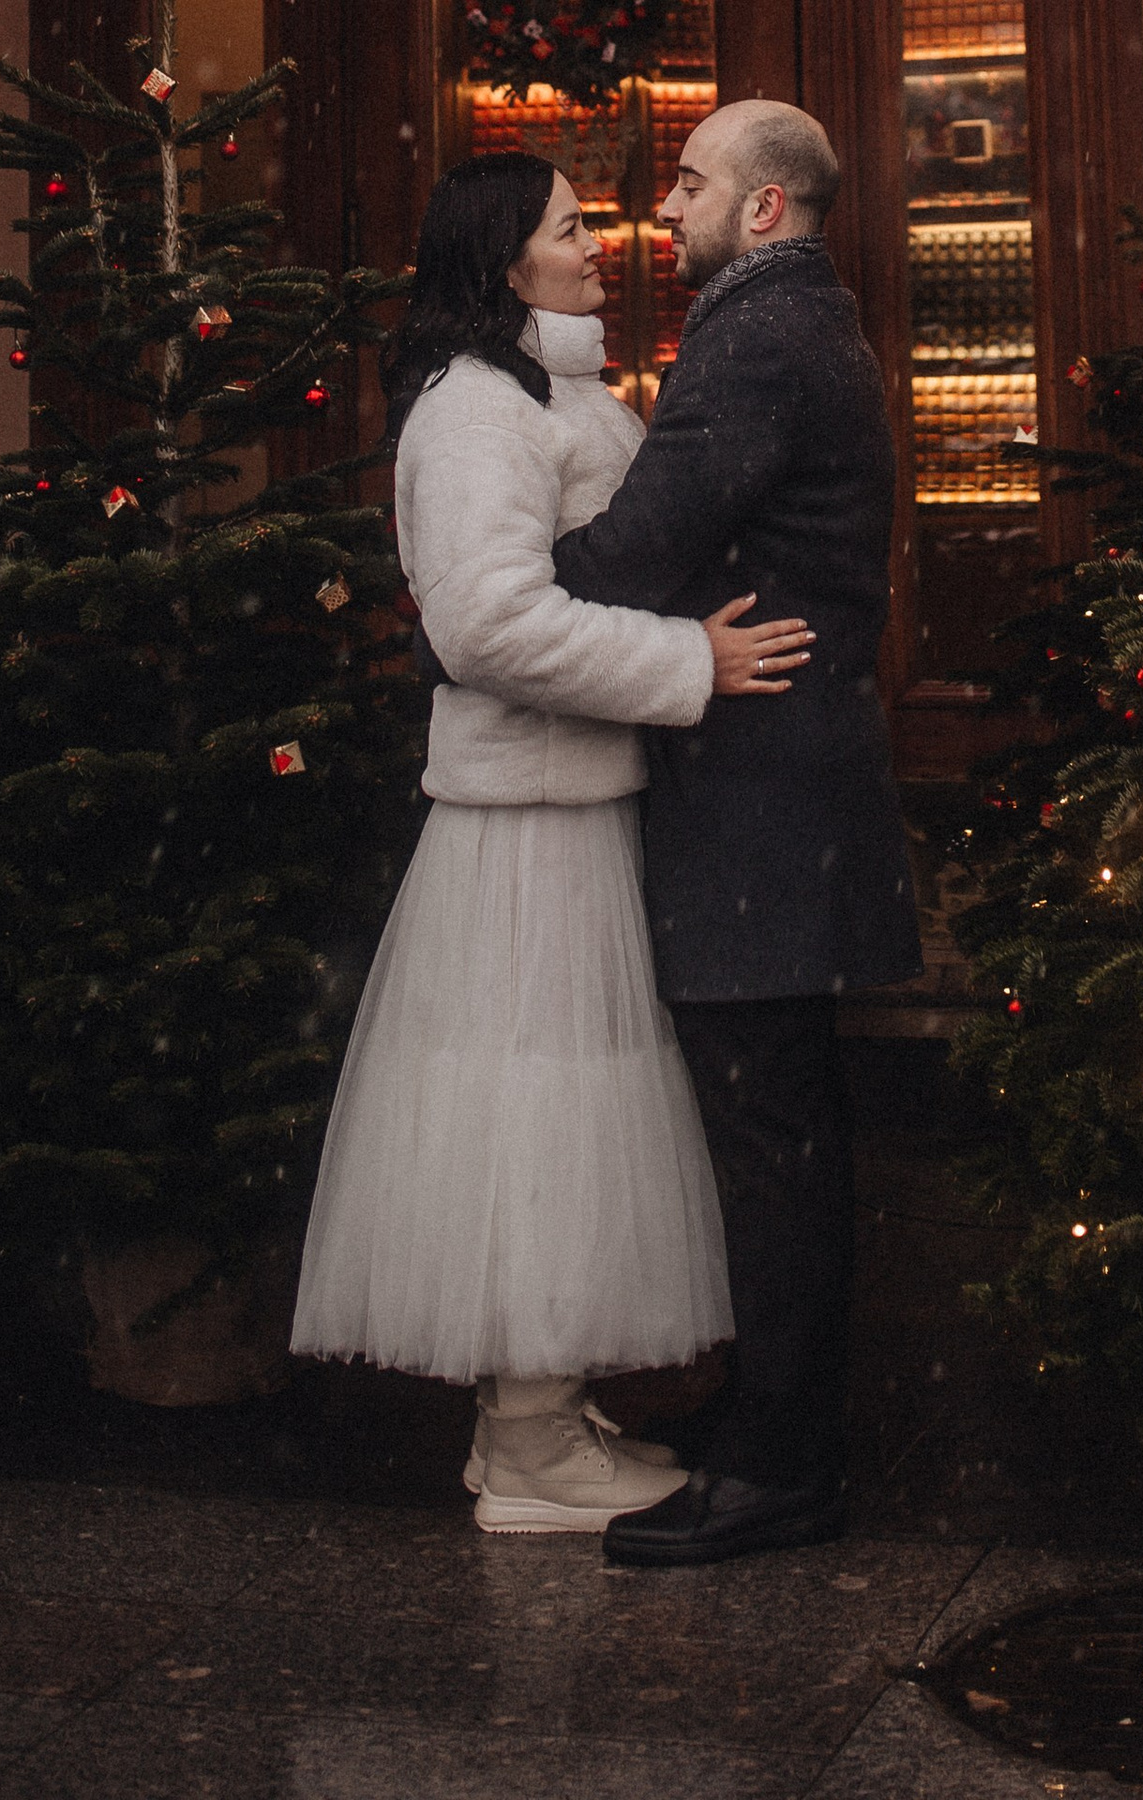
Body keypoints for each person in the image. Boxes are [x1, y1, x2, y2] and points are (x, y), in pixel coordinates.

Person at [290, 150, 815, 1534]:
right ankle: (526, 1443)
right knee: (538, 1114)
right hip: (524, 826)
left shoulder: (557, 396)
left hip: (574, 808)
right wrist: (685, 663)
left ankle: (534, 1416)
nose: (600, 246)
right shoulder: (475, 415)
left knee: (563, 1111)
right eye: (570, 229)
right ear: (503, 260)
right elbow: (487, 626)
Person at [553, 97, 923, 1567]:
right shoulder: (800, 318)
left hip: (764, 790)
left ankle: (780, 1462)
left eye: (694, 184)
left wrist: (503, 588)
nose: (669, 208)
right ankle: (770, 1418)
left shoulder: (758, 332)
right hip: (787, 781)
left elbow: (654, 532)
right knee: (783, 1123)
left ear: (764, 208)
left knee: (773, 1136)